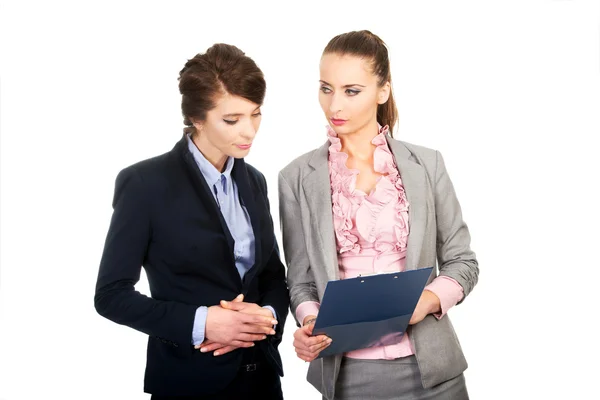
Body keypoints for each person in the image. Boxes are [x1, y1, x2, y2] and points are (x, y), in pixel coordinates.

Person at [278, 30, 478, 400]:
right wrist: (309, 322)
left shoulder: (427, 164)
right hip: (348, 374)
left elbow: (462, 262)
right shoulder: (296, 178)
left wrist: (426, 302)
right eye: (326, 88)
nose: (335, 105)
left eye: (351, 91)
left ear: (382, 91)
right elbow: (301, 280)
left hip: (433, 372)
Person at [94, 43, 288, 399]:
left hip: (261, 379)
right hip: (188, 381)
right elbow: (111, 295)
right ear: (197, 119)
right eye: (232, 120)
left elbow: (273, 276)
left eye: (255, 114)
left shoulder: (254, 180)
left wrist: (265, 317)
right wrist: (204, 323)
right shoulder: (144, 184)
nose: (249, 131)